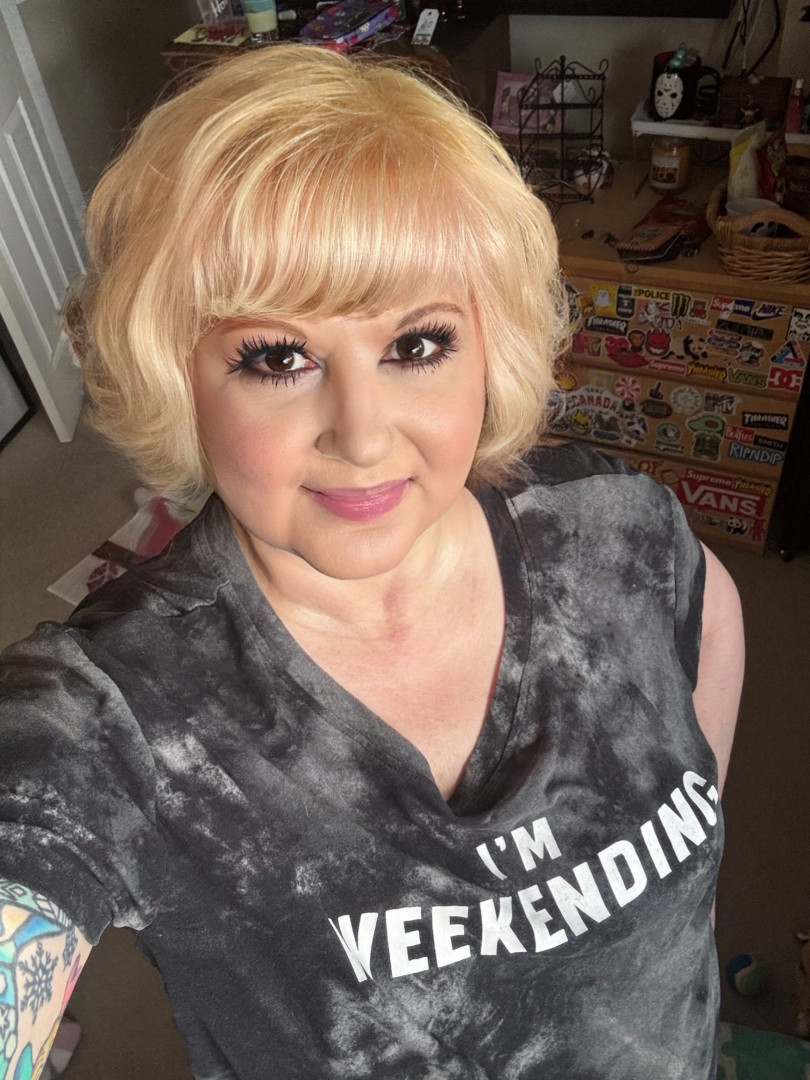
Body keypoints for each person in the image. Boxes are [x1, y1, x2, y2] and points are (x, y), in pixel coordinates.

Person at [0, 43, 743, 1080]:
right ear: (178, 377)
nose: (362, 434)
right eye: (277, 357)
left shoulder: (624, 530)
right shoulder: (111, 715)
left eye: (418, 344)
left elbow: (707, 648)